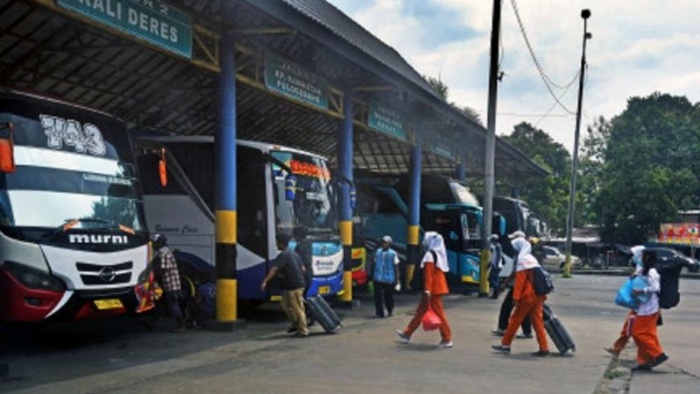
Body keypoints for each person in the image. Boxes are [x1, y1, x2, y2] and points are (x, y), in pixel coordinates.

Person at [608, 250, 668, 370]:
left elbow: (655, 287)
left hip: (649, 308)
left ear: (647, 258)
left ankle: (656, 354)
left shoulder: (652, 271)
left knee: (638, 332)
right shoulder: (643, 270)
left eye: (642, 256)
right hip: (643, 306)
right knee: (647, 333)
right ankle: (644, 360)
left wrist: (641, 291)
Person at [492, 231, 549, 355]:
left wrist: (515, 298)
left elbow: (520, 282)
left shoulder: (522, 261)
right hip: (539, 295)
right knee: (538, 322)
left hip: (527, 297)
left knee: (514, 320)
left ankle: (505, 345)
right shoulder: (531, 259)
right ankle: (544, 347)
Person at [395, 232, 453, 348]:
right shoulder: (438, 253)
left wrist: (427, 290)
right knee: (420, 312)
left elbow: (428, 275)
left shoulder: (429, 255)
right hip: (437, 288)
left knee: (438, 314)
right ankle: (407, 333)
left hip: (432, 289)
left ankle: (447, 338)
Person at [261, 233, 309, 337]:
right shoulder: (293, 254)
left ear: (281, 244)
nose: (276, 245)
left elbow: (274, 270)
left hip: (295, 286)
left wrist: (265, 281)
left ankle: (303, 330)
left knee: (297, 308)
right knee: (284, 305)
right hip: (294, 285)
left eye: (277, 243)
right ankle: (295, 323)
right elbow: (303, 269)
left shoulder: (283, 255)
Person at [605, 245, 647, 357]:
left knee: (638, 330)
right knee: (628, 327)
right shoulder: (640, 266)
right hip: (638, 304)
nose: (633, 257)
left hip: (643, 305)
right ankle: (617, 348)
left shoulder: (647, 268)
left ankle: (648, 355)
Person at [492, 231, 532, 339]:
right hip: (520, 286)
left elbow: (516, 273)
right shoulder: (522, 255)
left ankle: (505, 329)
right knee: (520, 309)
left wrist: (505, 283)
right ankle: (525, 331)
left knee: (510, 307)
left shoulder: (522, 257)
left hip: (520, 286)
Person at [152, 234, 186, 333]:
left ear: (160, 243)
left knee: (173, 305)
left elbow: (163, 269)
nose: (154, 245)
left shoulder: (164, 253)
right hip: (170, 284)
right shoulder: (163, 252)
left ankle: (181, 325)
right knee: (170, 304)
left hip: (171, 284)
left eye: (155, 243)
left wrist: (154, 275)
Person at [369, 235, 400, 318]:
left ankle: (390, 310)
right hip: (378, 277)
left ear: (389, 244)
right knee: (377, 296)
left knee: (388, 296)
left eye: (385, 242)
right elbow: (374, 263)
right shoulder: (378, 252)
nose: (383, 244)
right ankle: (379, 313)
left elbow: (396, 266)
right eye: (383, 242)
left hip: (388, 278)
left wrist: (397, 279)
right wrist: (372, 275)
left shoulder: (393, 254)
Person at [293, 225, 314, 298]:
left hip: (303, 275)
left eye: (294, 235)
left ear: (298, 236)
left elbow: (300, 262)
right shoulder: (308, 243)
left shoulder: (300, 247)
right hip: (309, 273)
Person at [488, 234, 503, 299]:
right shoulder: (495, 247)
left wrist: (496, 264)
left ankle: (497, 290)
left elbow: (498, 256)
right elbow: (494, 257)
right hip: (496, 265)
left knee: (490, 279)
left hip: (496, 266)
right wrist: (490, 264)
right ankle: (495, 294)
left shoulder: (497, 246)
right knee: (495, 279)